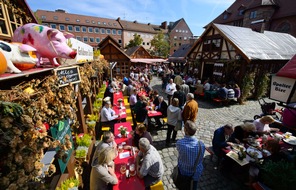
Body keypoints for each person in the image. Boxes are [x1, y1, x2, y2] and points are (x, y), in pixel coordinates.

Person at [176, 120, 205, 190]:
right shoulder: (201, 144)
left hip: (184, 171)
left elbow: (179, 151)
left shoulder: (180, 143)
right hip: (196, 172)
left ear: (185, 130)